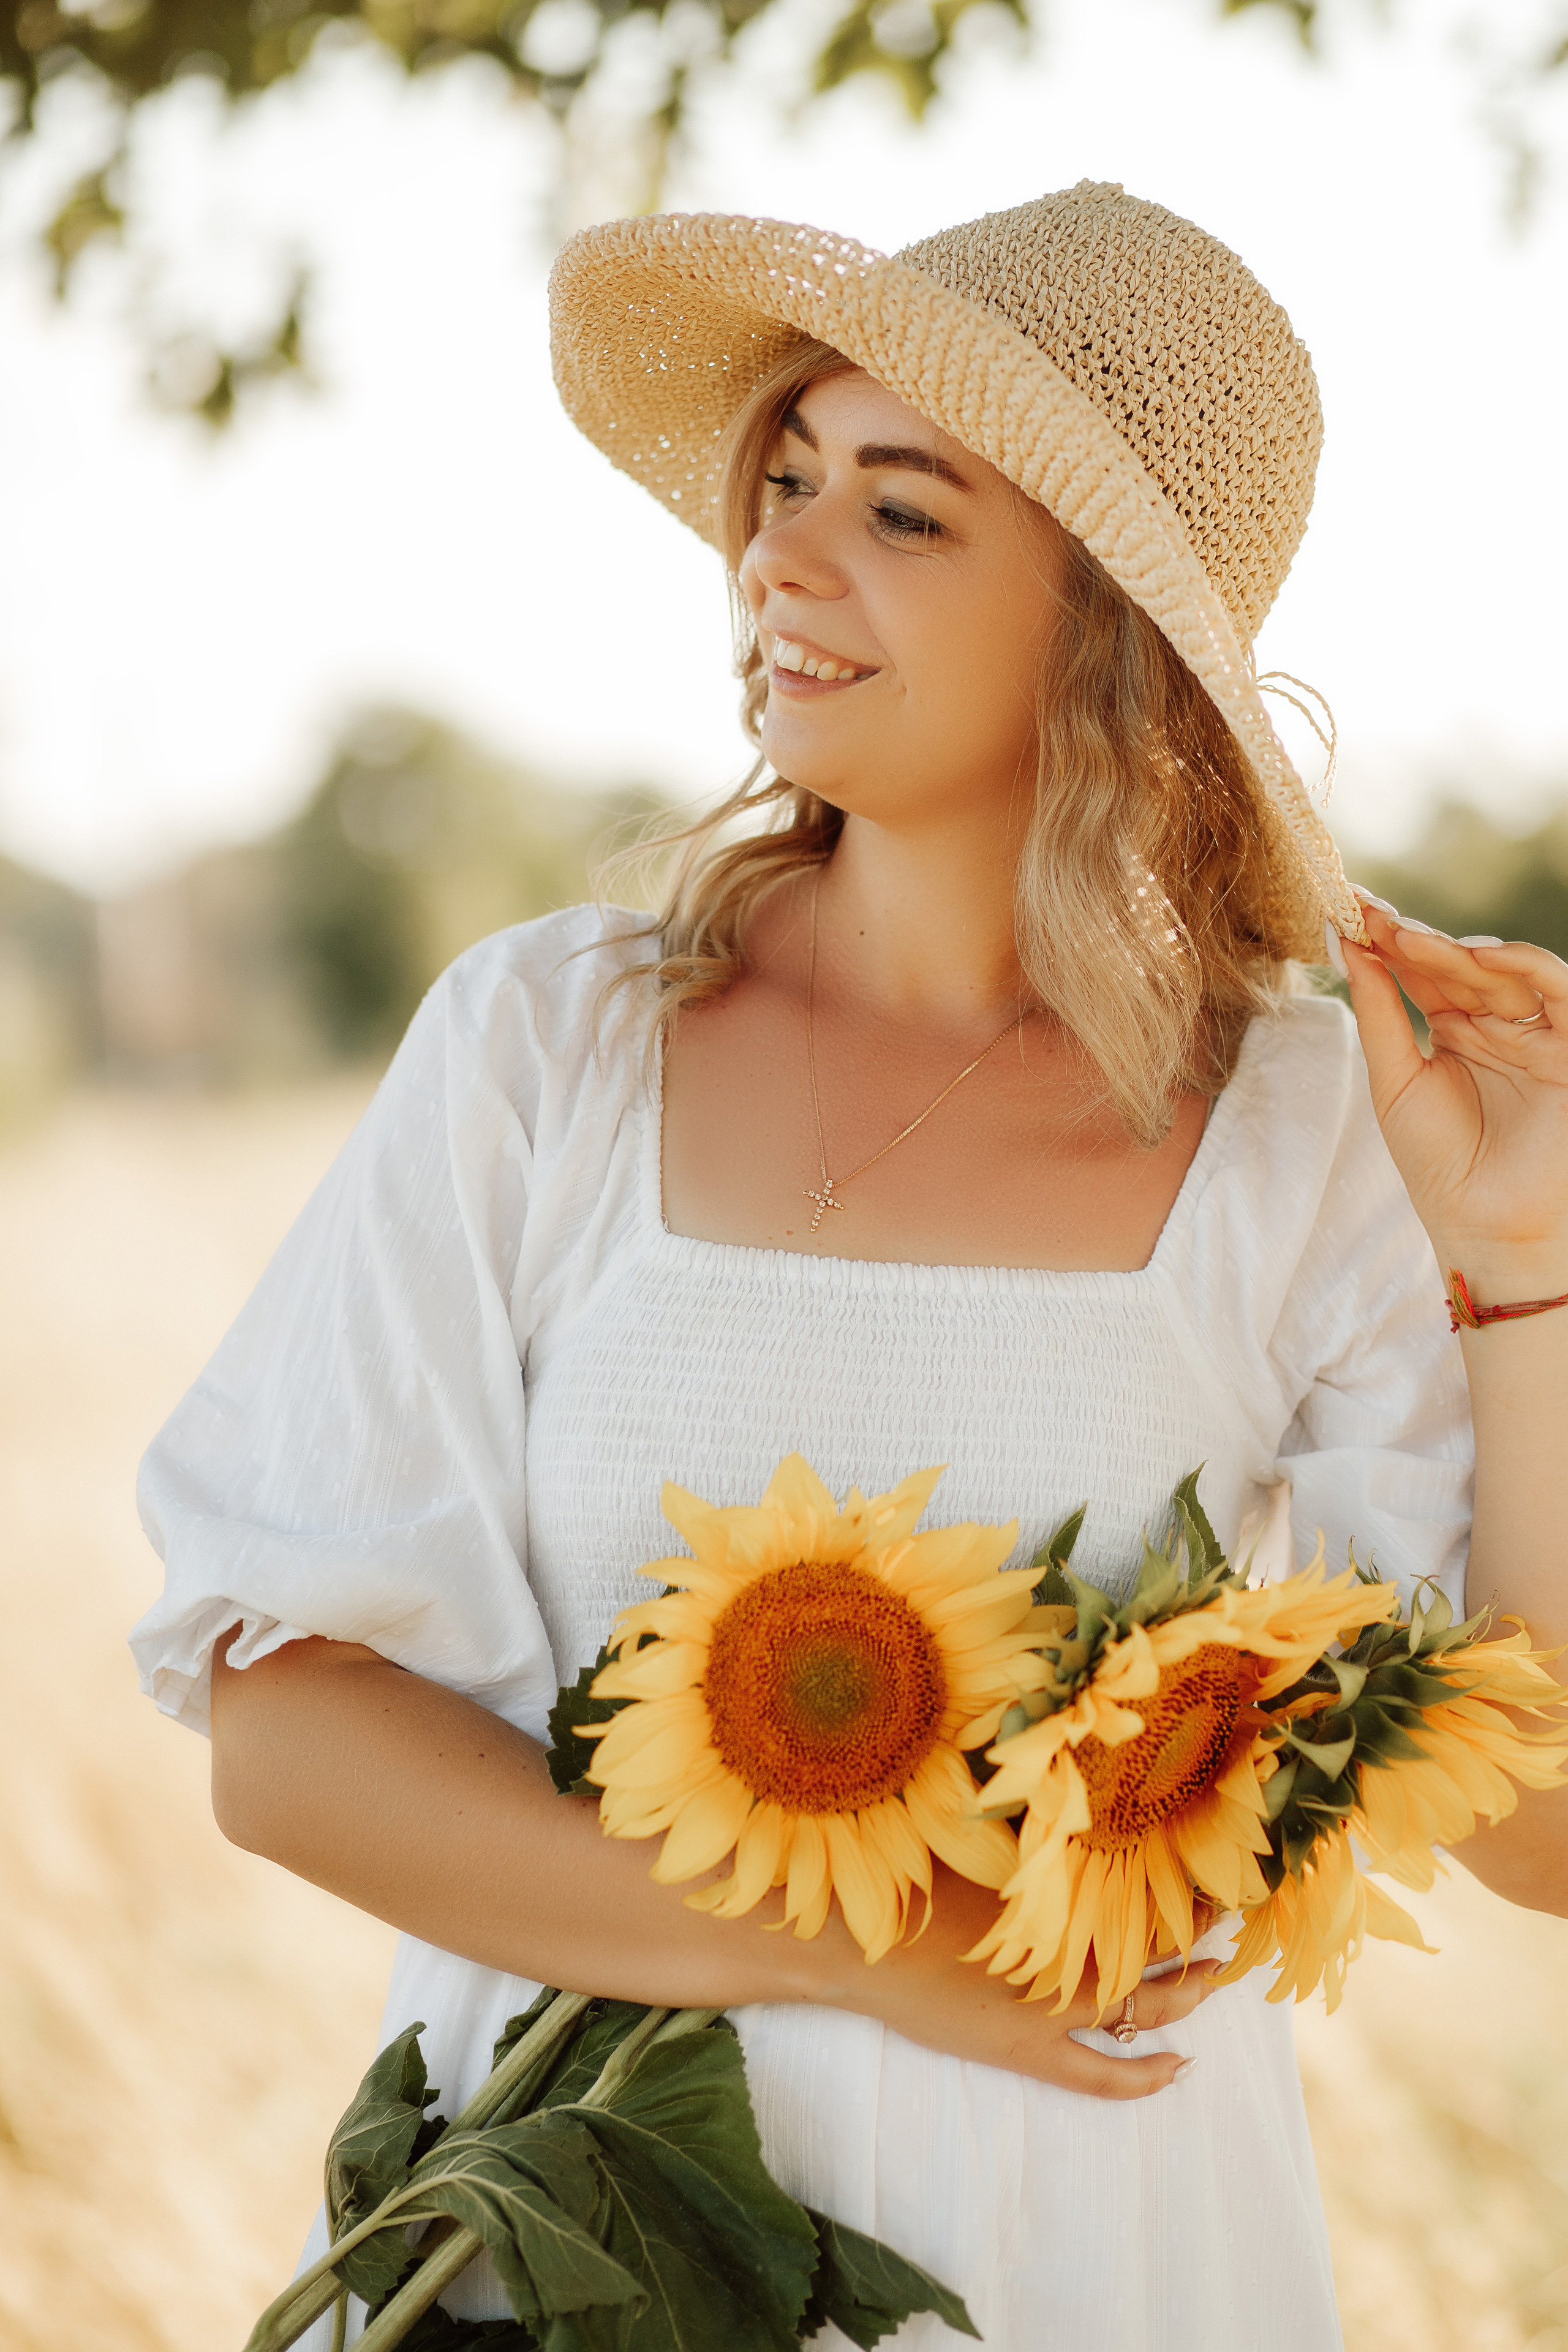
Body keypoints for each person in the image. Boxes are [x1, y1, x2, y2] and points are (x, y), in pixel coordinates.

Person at [131, 183, 1568, 2351]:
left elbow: (1533, 1833)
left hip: (1092, 2254)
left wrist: (1531, 1279)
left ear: (1108, 627)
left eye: (904, 513)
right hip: (555, 2251)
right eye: (785, 481)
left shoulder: (1313, 1135)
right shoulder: (552, 1041)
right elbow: (288, 1737)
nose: (779, 560)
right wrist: (856, 1938)